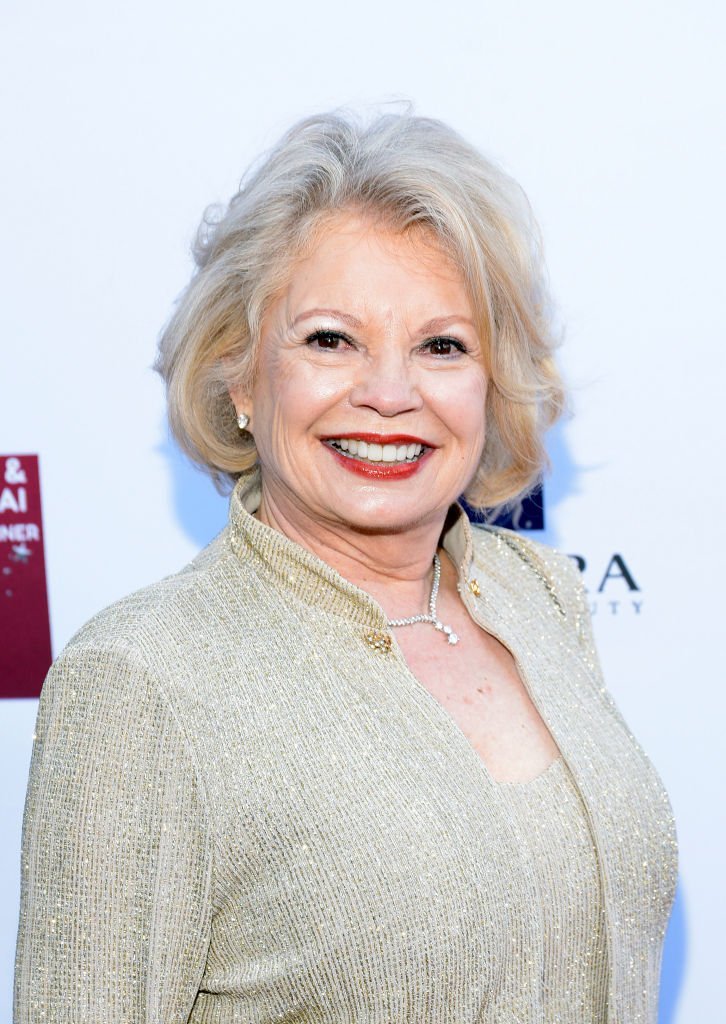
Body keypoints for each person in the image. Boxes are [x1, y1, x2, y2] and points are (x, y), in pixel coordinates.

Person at [14, 110, 677, 1024]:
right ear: (241, 376)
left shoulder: (540, 599)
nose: (391, 394)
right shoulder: (143, 683)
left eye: (442, 346)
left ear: (491, 383)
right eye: (331, 339)